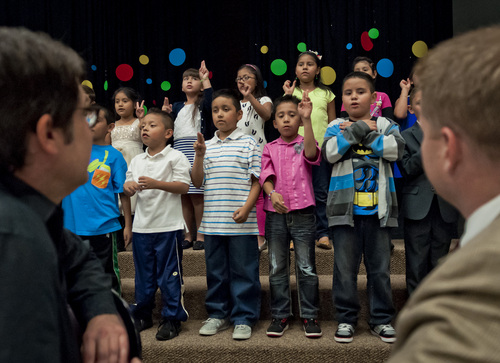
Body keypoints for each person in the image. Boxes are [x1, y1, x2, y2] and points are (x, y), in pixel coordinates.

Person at [0, 26, 140, 362]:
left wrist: (101, 312)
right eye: (84, 115)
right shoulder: (14, 240)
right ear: (49, 133)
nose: (91, 124)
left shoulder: (31, 215)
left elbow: (78, 262)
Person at [388, 25, 500, 362]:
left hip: (443, 211)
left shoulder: (448, 332)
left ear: (448, 147)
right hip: (420, 209)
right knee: (418, 261)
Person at [323, 71, 404, 344]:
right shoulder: (335, 125)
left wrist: (363, 135)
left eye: (360, 91)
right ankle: (346, 319)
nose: (354, 96)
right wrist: (359, 129)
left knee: (379, 270)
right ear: (343, 100)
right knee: (344, 271)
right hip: (345, 213)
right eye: (348, 93)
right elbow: (331, 153)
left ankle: (381, 320)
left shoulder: (386, 123)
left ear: (373, 97)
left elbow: (395, 151)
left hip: (379, 213)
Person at [192, 89, 261, 341]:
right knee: (216, 272)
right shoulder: (206, 146)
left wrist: (246, 208)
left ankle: (244, 317)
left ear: (239, 114)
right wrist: (199, 155)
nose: (220, 114)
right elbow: (197, 182)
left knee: (244, 271)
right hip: (212, 223)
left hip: (241, 223)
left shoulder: (248, 144)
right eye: (215, 110)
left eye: (226, 109)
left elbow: (257, 182)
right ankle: (218, 314)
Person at [124, 108, 191, 341]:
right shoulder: (137, 159)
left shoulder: (175, 157)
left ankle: (172, 317)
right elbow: (127, 183)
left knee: (169, 274)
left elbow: (183, 187)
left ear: (168, 133)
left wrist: (156, 183)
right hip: (142, 227)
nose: (145, 129)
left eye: (152, 125)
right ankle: (143, 314)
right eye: (143, 126)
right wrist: (129, 186)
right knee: (143, 276)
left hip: (168, 227)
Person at [260, 93, 322, 338]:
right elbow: (265, 175)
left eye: (292, 115)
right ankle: (280, 314)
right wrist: (272, 193)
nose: (286, 120)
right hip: (275, 215)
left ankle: (309, 314)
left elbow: (311, 154)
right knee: (276, 267)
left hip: (304, 213)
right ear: (274, 122)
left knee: (306, 267)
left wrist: (307, 120)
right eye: (281, 116)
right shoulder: (269, 147)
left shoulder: (305, 141)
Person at [63, 105, 132, 294]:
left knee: (106, 275)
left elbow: (123, 192)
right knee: (72, 275)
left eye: (96, 120)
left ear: (110, 127)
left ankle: (114, 315)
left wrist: (128, 224)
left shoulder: (115, 156)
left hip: (103, 227)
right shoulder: (69, 151)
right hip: (70, 227)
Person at [397, 87, 458, 296]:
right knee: (416, 263)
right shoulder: (405, 136)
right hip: (417, 207)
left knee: (440, 263)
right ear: (411, 109)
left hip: (444, 206)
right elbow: (407, 169)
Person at [283, 51, 336, 250]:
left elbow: (333, 124)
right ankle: (296, 234)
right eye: (301, 64)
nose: (305, 67)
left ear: (318, 70)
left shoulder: (327, 94)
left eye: (310, 64)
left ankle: (323, 233)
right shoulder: (291, 93)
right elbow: (283, 121)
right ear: (295, 69)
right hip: (295, 152)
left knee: (321, 192)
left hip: (320, 151)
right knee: (296, 192)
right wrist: (288, 97)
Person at [168, 61, 215, 251]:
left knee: (197, 195)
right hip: (179, 150)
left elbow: (212, 102)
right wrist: (167, 115)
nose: (189, 81)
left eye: (194, 79)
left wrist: (205, 79)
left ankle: (201, 233)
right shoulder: (177, 106)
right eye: (186, 79)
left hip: (196, 150)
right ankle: (188, 234)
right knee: (184, 195)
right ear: (181, 85)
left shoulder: (203, 104)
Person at [236, 63, 273, 251]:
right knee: (242, 195)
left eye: (246, 77)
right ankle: (244, 233)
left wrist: (250, 96)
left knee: (258, 195)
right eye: (239, 78)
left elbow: (266, 115)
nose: (242, 81)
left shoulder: (263, 99)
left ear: (256, 80)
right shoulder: (235, 104)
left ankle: (260, 237)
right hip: (238, 154)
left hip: (258, 152)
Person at [111, 87, 144, 251]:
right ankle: (120, 234)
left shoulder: (139, 122)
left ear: (134, 103)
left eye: (125, 101)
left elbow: (146, 135)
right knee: (118, 196)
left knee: (134, 195)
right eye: (117, 102)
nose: (120, 104)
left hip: (134, 161)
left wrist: (141, 118)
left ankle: (136, 234)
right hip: (116, 165)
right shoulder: (112, 125)